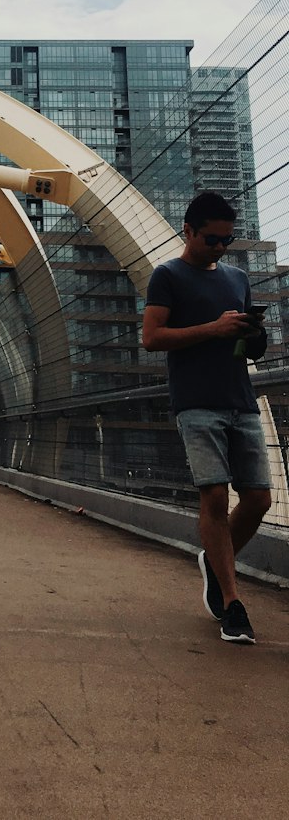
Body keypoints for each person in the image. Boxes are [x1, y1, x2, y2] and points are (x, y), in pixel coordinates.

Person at [142, 190, 271, 644]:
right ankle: (233, 604)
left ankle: (214, 562)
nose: (219, 248)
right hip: (195, 402)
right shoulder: (167, 276)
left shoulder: (237, 278)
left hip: (240, 399)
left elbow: (242, 348)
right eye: (212, 240)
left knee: (258, 500)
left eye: (226, 242)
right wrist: (212, 329)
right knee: (214, 498)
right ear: (188, 230)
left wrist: (252, 336)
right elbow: (152, 338)